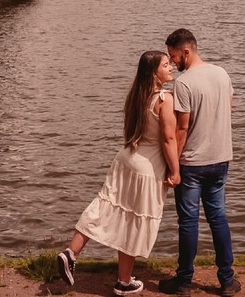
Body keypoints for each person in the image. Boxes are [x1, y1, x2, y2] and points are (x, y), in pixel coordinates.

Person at [58, 51, 180, 296]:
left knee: (105, 205)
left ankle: (72, 252)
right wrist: (175, 171)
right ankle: (123, 281)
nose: (171, 68)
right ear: (153, 73)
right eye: (166, 65)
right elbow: (168, 139)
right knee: (133, 221)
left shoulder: (136, 96)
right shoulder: (164, 99)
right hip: (146, 167)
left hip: (125, 159)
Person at [159, 28, 241, 296]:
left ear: (186, 51)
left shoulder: (184, 83)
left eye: (173, 56)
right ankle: (227, 281)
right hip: (221, 159)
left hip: (193, 163)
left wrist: (173, 166)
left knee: (188, 222)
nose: (172, 63)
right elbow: (228, 109)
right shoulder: (222, 73)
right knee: (218, 218)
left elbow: (182, 129)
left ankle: (184, 282)